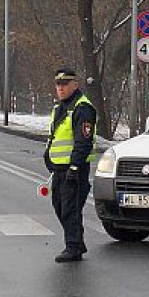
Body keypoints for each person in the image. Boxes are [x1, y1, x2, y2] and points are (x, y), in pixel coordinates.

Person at [44, 67, 97, 263]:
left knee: (70, 210)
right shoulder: (60, 108)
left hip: (74, 170)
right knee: (60, 207)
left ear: (75, 85)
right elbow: (55, 136)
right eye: (58, 84)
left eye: (65, 84)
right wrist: (47, 156)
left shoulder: (82, 108)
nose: (61, 88)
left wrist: (75, 167)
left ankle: (73, 247)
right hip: (59, 169)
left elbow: (83, 141)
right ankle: (76, 243)